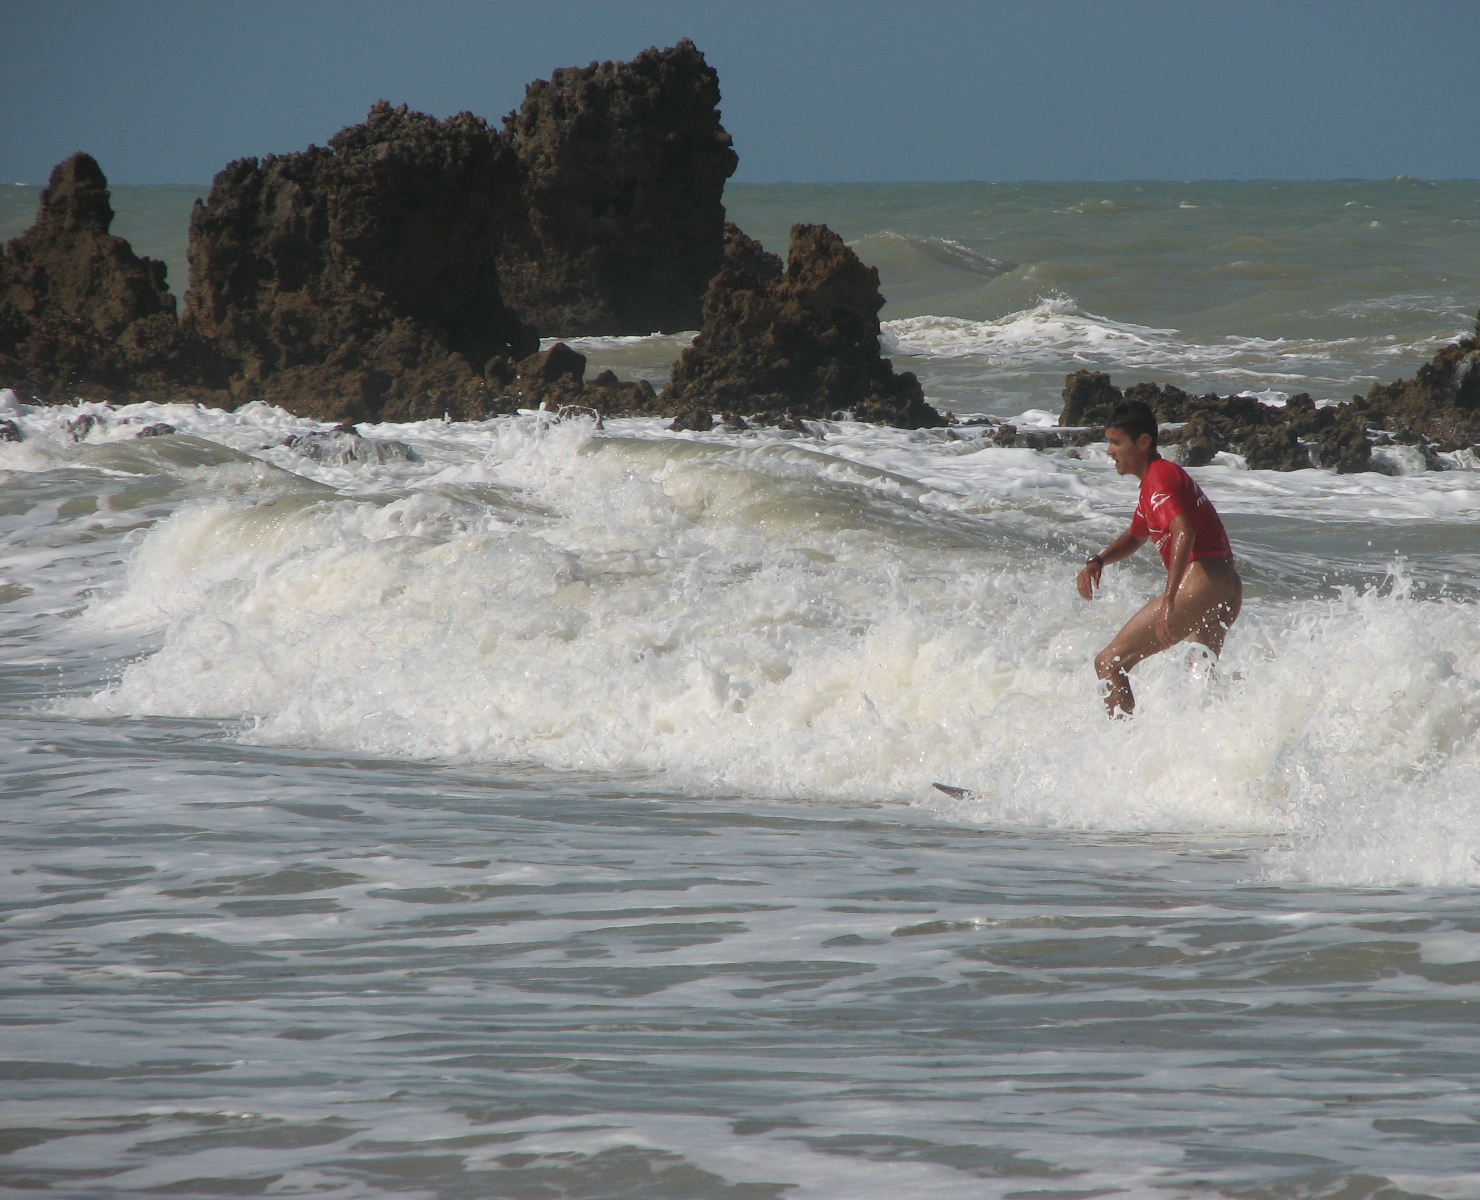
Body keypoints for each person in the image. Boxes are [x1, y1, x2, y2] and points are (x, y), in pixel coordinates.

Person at [1076, 400, 1242, 717]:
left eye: (1116, 442)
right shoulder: (1156, 483)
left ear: (1143, 442)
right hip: (1226, 583)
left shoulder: (1159, 479)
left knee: (1110, 662)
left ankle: (1121, 747)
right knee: (1198, 689)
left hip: (1203, 578)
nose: (1110, 451)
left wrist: (1169, 598)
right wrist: (1099, 560)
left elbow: (1184, 532)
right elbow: (1137, 535)